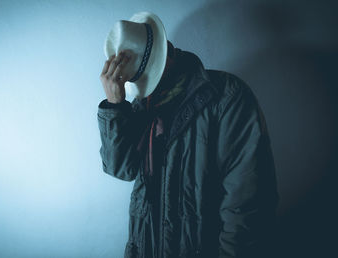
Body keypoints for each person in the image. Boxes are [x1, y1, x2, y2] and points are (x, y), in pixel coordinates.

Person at [97, 11, 279, 258]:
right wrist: (115, 106)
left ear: (168, 50)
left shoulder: (226, 97)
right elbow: (121, 169)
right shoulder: (143, 107)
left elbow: (246, 205)